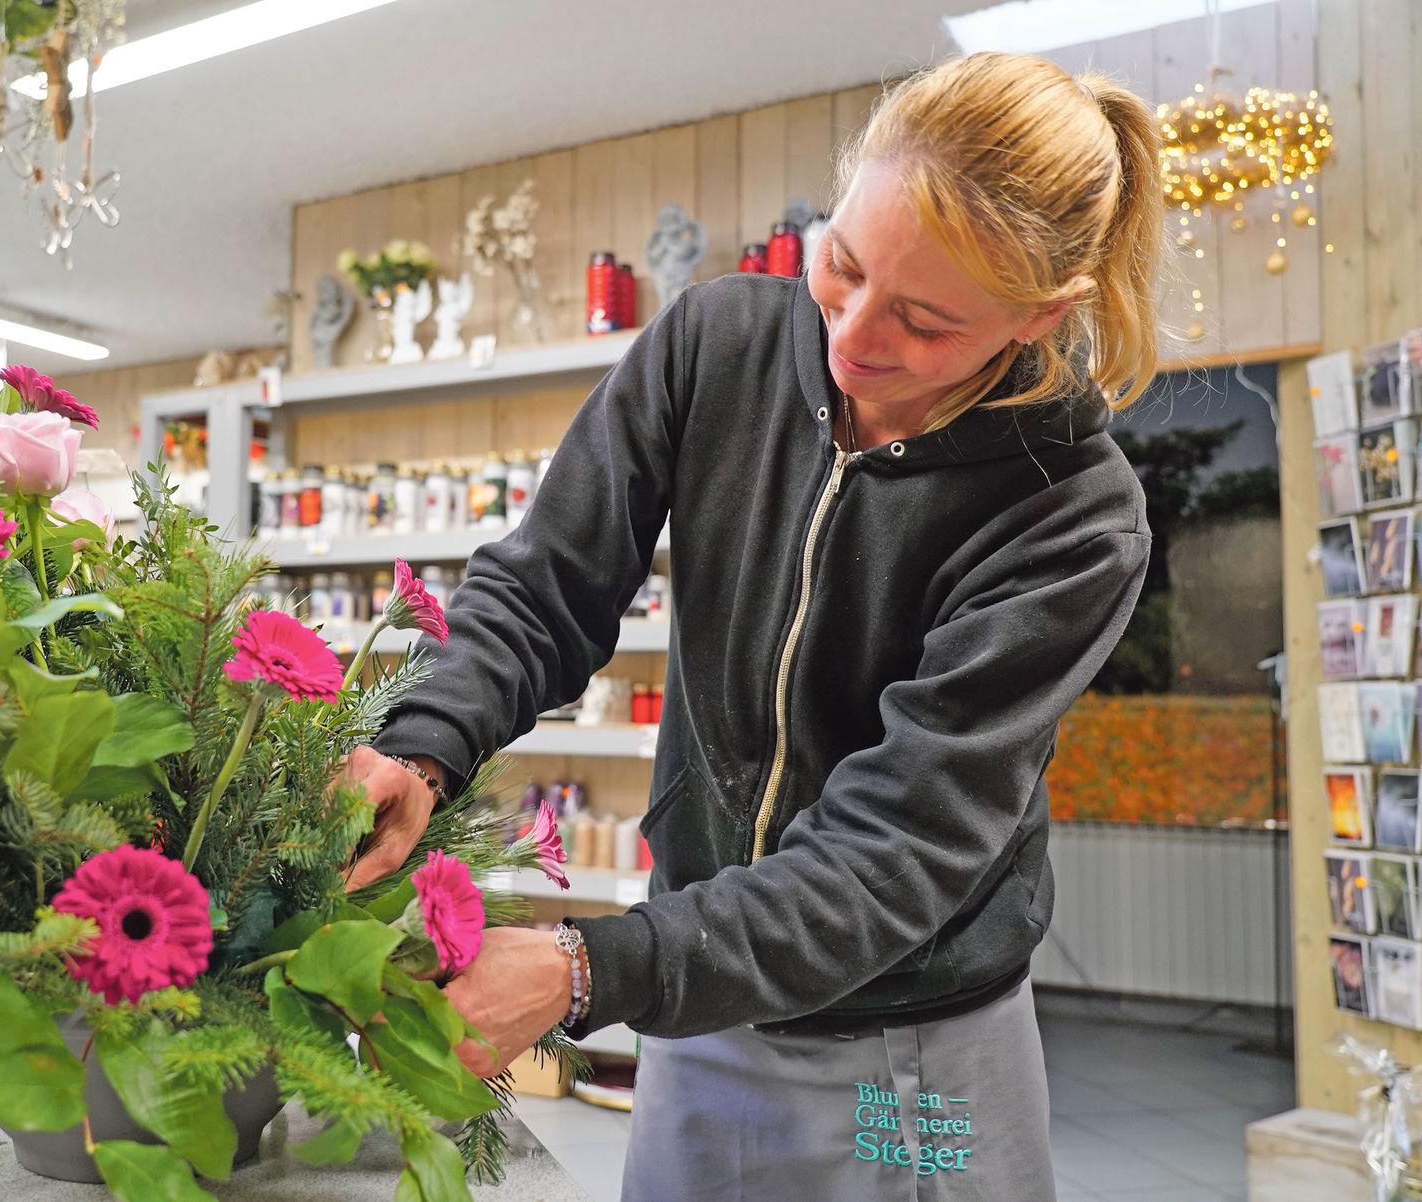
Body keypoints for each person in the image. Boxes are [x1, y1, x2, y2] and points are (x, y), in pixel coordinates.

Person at [343, 52, 1158, 1200]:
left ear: (1041, 315)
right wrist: (423, 740)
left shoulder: (1070, 512)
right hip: (703, 997)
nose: (857, 336)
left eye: (925, 321)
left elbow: (892, 855)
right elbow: (547, 584)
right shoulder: (713, 344)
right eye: (844, 265)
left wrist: (585, 966)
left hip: (912, 1050)